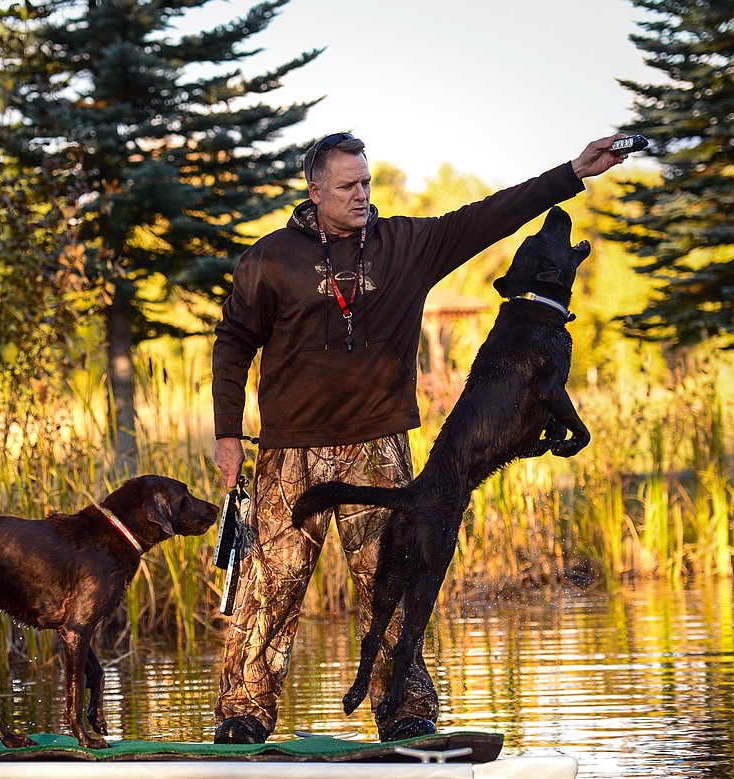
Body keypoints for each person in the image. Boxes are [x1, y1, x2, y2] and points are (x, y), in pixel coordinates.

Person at [210, 131, 629, 744]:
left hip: (378, 443)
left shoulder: (406, 244)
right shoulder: (271, 257)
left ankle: (406, 709)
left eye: (366, 182)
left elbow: (490, 216)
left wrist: (573, 172)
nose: (361, 194)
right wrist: (227, 434)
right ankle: (244, 715)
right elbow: (232, 342)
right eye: (348, 185)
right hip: (288, 448)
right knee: (269, 582)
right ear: (316, 189)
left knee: (394, 578)